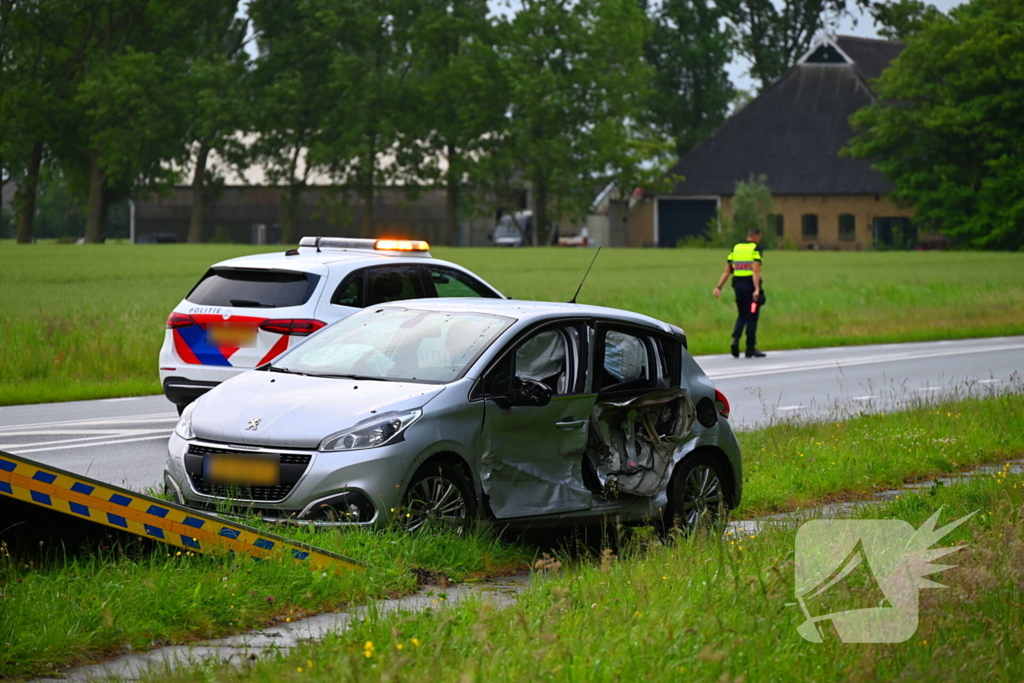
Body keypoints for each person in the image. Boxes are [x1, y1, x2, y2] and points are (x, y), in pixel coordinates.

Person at [712, 228, 766, 358]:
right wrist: (757, 289)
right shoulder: (756, 249)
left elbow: (727, 271)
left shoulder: (736, 248)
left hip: (738, 286)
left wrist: (719, 287)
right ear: (757, 237)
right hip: (750, 286)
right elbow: (755, 270)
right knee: (752, 316)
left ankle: (735, 339)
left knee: (742, 315)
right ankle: (750, 348)